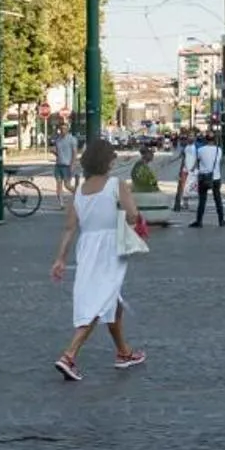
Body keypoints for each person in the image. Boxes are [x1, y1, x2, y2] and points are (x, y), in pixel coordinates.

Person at [49, 138, 147, 380]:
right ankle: (69, 355)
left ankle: (124, 352)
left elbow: (69, 228)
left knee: (108, 297)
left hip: (87, 247)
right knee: (100, 299)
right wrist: (134, 219)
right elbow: (133, 215)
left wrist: (60, 259)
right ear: (107, 161)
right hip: (110, 247)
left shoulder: (79, 192)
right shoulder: (116, 184)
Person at [190, 132, 225, 228]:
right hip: (216, 177)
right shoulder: (219, 150)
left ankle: (199, 221)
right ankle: (221, 220)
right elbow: (219, 162)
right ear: (214, 140)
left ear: (205, 140)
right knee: (218, 199)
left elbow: (197, 162)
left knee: (202, 200)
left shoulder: (200, 150)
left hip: (203, 177)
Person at [51, 127, 78, 193]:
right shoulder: (58, 140)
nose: (63, 130)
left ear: (68, 129)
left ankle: (78, 194)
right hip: (58, 165)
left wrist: (73, 164)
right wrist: (53, 152)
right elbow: (59, 154)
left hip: (67, 165)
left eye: (64, 129)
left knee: (67, 185)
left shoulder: (72, 139)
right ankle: (61, 202)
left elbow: (74, 153)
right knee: (58, 186)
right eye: (61, 129)